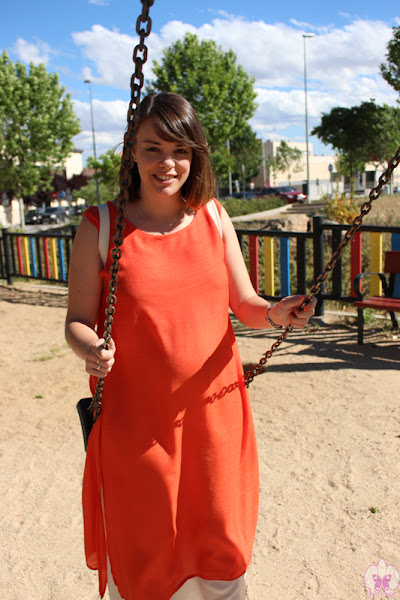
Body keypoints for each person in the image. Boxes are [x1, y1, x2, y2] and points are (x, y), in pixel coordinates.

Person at [65, 92, 316, 600]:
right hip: (138, 420)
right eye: (153, 148)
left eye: (179, 150)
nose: (167, 163)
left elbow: (244, 302)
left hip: (212, 418)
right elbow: (75, 321)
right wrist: (91, 348)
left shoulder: (213, 217)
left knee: (218, 545)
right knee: (146, 552)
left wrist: (277, 312)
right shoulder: (102, 226)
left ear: (195, 154)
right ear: (132, 152)